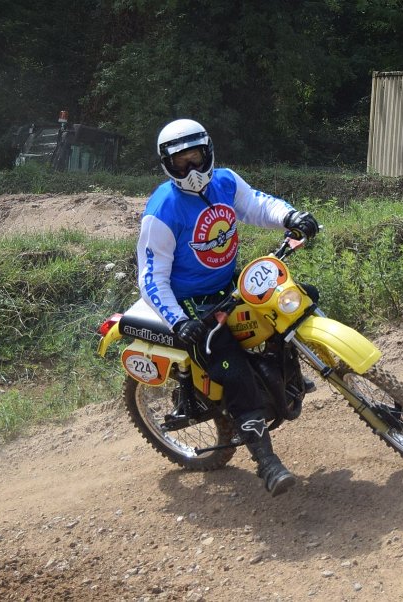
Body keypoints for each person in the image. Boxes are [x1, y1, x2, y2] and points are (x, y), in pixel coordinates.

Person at [137, 118, 319, 497]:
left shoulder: (226, 182)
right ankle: (266, 462)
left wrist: (290, 216)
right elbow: (152, 277)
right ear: (168, 165)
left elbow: (256, 205)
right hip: (193, 306)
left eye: (195, 157)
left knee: (295, 303)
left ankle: (290, 377)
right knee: (234, 372)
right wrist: (179, 321)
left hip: (232, 284)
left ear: (208, 152)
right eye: (181, 162)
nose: (191, 169)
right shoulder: (162, 211)